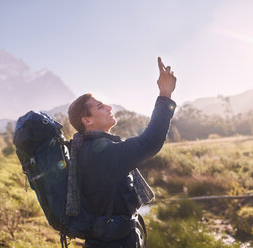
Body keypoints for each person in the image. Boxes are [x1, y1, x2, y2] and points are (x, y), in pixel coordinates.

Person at [67, 57, 176, 247]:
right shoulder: (101, 153)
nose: (109, 107)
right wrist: (165, 94)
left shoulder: (86, 148)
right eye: (100, 106)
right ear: (87, 120)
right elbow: (149, 141)